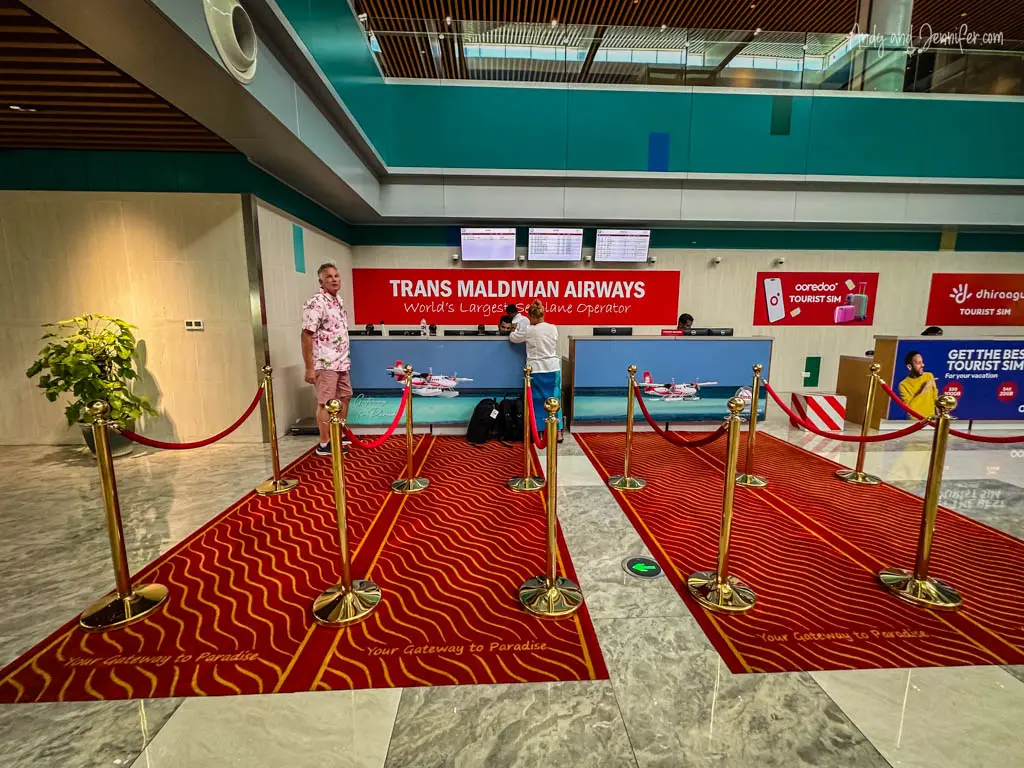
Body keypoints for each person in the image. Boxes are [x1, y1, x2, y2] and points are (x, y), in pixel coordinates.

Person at [302, 263, 352, 455]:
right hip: (325, 362)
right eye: (329, 276)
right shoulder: (316, 302)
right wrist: (309, 367)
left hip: (342, 361)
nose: (334, 279)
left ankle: (338, 434)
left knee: (345, 397)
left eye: (336, 276)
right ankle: (325, 443)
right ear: (321, 281)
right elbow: (306, 335)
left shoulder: (338, 300)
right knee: (326, 402)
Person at [511, 299, 562, 442]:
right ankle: (558, 432)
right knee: (555, 400)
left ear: (531, 317)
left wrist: (514, 328)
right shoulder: (553, 327)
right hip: (553, 367)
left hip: (536, 369)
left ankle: (540, 432)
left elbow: (513, 338)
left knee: (537, 402)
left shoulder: (529, 330)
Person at [898, 350, 937, 419]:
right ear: (909, 367)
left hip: (932, 420)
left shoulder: (929, 376)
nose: (922, 365)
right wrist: (924, 389)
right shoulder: (903, 385)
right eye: (919, 363)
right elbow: (910, 408)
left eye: (922, 362)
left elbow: (935, 398)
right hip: (915, 422)